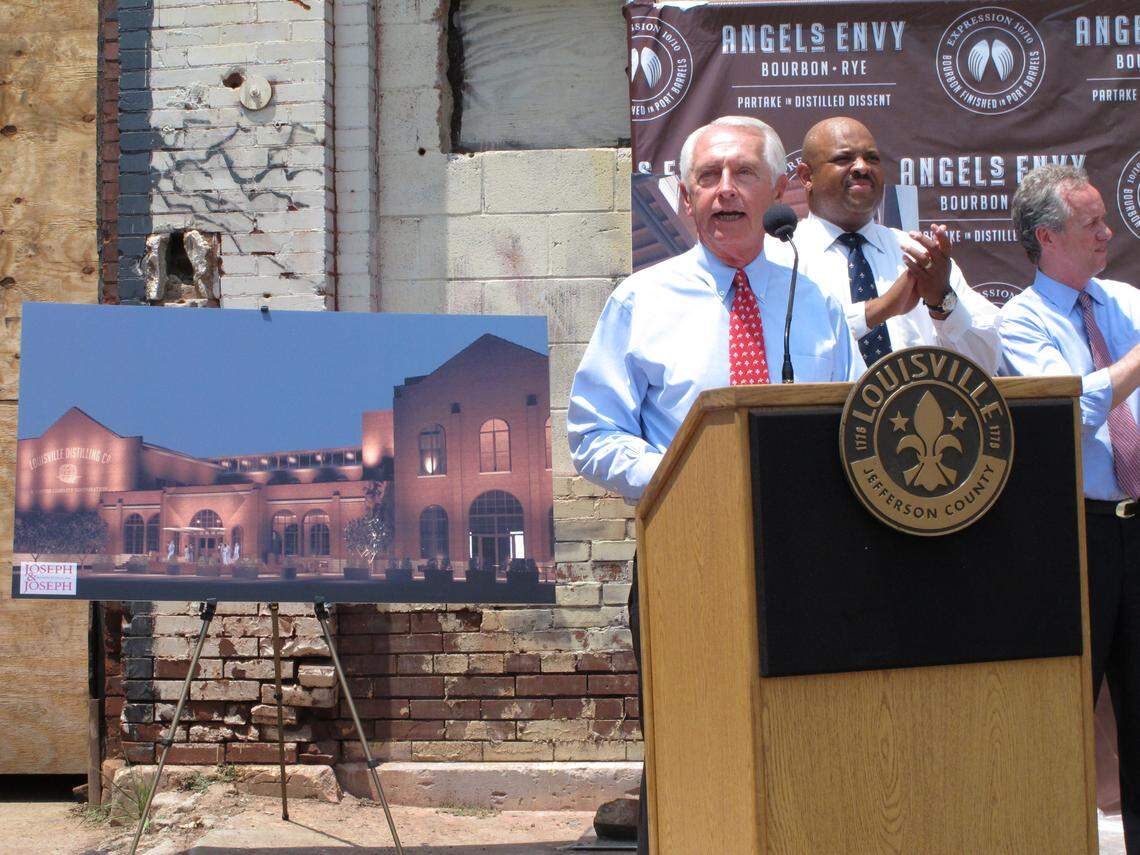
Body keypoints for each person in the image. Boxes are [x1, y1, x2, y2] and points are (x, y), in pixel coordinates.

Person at [568, 116, 865, 853]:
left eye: (742, 175)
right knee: (689, 749)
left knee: (804, 738)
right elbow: (592, 434)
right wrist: (686, 475)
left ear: (778, 190)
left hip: (805, 561)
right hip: (686, 557)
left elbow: (852, 422)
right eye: (707, 177)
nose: (725, 190)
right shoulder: (640, 301)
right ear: (684, 195)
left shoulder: (817, 300)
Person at [999, 164, 1140, 851]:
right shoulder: (1019, 322)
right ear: (1048, 237)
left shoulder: (1126, 300)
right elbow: (1070, 407)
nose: (1107, 232)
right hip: (1077, 534)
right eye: (1092, 225)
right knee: (1064, 711)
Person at [778, 116, 1000, 373]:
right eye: (843, 159)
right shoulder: (781, 255)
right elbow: (785, 348)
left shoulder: (918, 255)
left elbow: (986, 362)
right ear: (807, 176)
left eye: (872, 159)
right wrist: (878, 310)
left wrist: (942, 301)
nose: (862, 167)